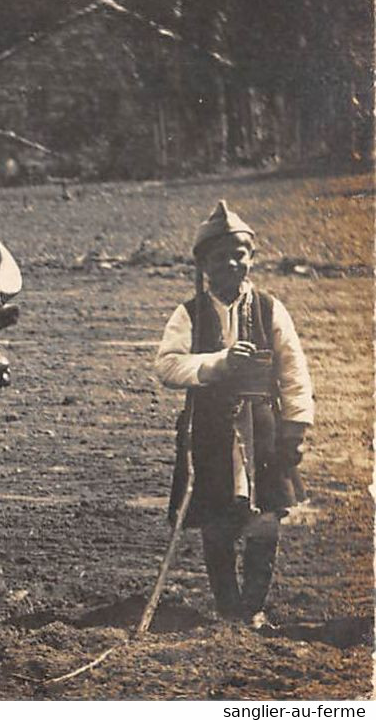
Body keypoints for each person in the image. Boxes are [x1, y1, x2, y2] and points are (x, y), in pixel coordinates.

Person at [153, 200, 313, 628]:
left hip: (263, 427)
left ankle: (253, 608)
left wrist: (295, 428)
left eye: (239, 254)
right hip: (210, 430)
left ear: (252, 259)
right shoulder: (189, 314)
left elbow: (295, 372)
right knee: (217, 518)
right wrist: (217, 363)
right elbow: (167, 366)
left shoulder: (269, 309)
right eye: (219, 257)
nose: (230, 263)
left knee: (265, 517)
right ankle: (227, 607)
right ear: (203, 264)